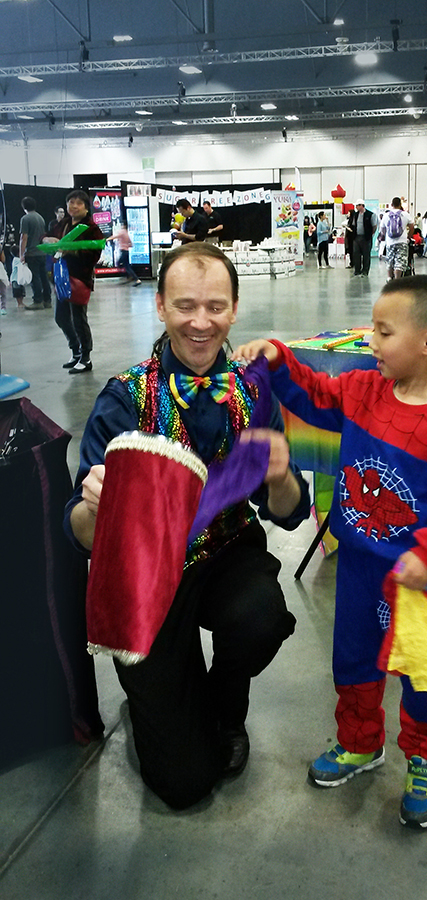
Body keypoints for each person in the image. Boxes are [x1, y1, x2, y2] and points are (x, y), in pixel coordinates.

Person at [233, 274, 427, 829]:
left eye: (383, 332)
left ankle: (426, 761)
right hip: (357, 567)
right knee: (351, 660)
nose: (371, 341)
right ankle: (360, 741)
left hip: (418, 582)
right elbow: (313, 395)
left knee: (422, 677)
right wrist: (278, 359)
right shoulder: (362, 391)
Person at [64, 242, 310, 810]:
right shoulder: (125, 398)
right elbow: (77, 534)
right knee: (184, 784)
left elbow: (290, 511)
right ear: (160, 306)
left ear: (234, 309)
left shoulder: (252, 391)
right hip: (146, 575)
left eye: (215, 307)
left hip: (226, 552)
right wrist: (95, 507)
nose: (201, 323)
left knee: (260, 617)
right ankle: (164, 696)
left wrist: (278, 476)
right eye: (185, 306)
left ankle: (226, 707)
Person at [53, 189, 104, 373]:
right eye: (71, 202)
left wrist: (72, 251)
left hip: (80, 278)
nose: (73, 206)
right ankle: (75, 350)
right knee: (61, 317)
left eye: (78, 203)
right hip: (62, 277)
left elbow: (95, 254)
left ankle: (85, 357)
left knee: (78, 319)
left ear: (86, 207)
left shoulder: (91, 228)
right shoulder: (64, 223)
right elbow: (48, 236)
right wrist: (49, 239)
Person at [19, 196, 52, 311]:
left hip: (32, 253)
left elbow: (24, 237)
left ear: (24, 207)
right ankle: (47, 300)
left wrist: (21, 254)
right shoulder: (40, 218)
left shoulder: (25, 219)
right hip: (42, 252)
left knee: (35, 278)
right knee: (44, 277)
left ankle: (38, 301)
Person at [380, 197, 413, 280]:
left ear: (392, 204)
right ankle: (397, 280)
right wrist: (408, 237)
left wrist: (386, 236)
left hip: (390, 242)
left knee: (390, 260)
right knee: (400, 262)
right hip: (402, 242)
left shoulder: (386, 215)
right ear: (400, 204)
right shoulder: (405, 214)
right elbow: (412, 227)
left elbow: (382, 229)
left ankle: (389, 278)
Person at [351, 199, 378, 277]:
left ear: (361, 206)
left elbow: (374, 226)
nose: (356, 207)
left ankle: (365, 271)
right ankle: (357, 270)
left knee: (366, 255)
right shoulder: (355, 215)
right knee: (356, 254)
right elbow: (354, 225)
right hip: (356, 237)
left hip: (366, 238)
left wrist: (370, 234)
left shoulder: (370, 215)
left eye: (357, 206)